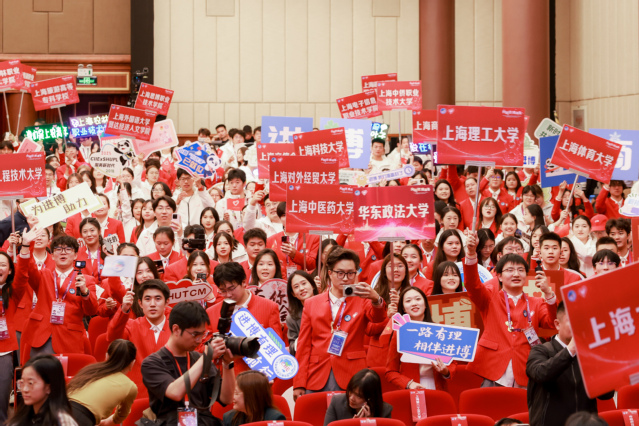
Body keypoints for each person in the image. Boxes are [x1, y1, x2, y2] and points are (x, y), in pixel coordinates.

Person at [463, 232, 557, 388]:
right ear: (499, 276)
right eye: (510, 270)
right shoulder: (490, 298)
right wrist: (471, 253)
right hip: (494, 367)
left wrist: (548, 293)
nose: (516, 274)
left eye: (520, 270)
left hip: (525, 367)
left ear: (526, 275)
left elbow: (552, 323)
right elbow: (472, 285)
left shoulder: (537, 302)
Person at [293, 247, 386, 399]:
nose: (345, 278)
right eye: (340, 273)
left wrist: (377, 299)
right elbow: (303, 346)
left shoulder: (362, 299)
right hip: (317, 374)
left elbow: (378, 318)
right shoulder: (311, 303)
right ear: (330, 273)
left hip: (352, 374)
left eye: (350, 273)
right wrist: (299, 383)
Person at [141, 301, 235, 426]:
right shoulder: (152, 363)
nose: (199, 340)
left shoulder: (199, 358)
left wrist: (228, 364)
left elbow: (227, 399)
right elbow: (175, 392)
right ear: (176, 329)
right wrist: (206, 358)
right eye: (195, 334)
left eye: (203, 334)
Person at [16, 229, 98, 363]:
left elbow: (92, 311)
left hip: (69, 338)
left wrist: (85, 292)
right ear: (52, 255)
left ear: (75, 255)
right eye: (58, 249)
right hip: (41, 337)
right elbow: (27, 268)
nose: (63, 252)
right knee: (40, 374)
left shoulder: (86, 280)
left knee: (66, 375)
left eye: (68, 249)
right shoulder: (44, 275)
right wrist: (26, 245)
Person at [526, 302, 615, 426]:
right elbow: (541, 374)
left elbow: (607, 394)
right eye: (573, 321)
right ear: (557, 324)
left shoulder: (589, 353)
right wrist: (570, 350)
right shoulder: (541, 350)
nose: (579, 327)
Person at [208, 262, 282, 372]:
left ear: (244, 282)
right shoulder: (211, 313)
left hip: (258, 376)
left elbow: (277, 348)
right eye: (223, 291)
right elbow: (201, 351)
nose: (228, 295)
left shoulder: (269, 307)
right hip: (225, 377)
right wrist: (212, 349)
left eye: (232, 288)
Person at [107, 279, 172, 398]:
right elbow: (112, 337)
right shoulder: (131, 325)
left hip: (169, 392)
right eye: (147, 299)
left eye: (158, 299)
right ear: (140, 303)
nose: (152, 304)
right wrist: (124, 309)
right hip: (137, 393)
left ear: (167, 302)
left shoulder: (176, 329)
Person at [386, 286, 454, 390]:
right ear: (403, 308)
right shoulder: (399, 333)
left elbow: (452, 364)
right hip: (411, 389)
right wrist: (408, 384)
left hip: (438, 388)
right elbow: (390, 372)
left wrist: (446, 371)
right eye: (408, 301)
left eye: (418, 299)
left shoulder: (439, 331)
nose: (414, 303)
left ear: (425, 304)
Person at [67, 339, 138, 426]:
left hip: (57, 410)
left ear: (107, 356)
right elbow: (120, 416)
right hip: (81, 419)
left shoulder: (90, 369)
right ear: (132, 363)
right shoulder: (130, 386)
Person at [7, 355, 77, 426]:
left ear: (49, 387)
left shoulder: (62, 421)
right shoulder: (22, 417)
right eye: (22, 382)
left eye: (30, 383)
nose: (25, 389)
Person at [323, 369, 392, 425]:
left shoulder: (385, 410)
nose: (351, 398)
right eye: (351, 391)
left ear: (370, 398)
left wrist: (369, 424)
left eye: (358, 396)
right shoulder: (336, 402)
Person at [286, 270, 318, 355]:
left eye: (304, 283)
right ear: (293, 294)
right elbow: (292, 347)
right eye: (296, 287)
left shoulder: (327, 306)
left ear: (313, 285)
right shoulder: (292, 318)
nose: (301, 288)